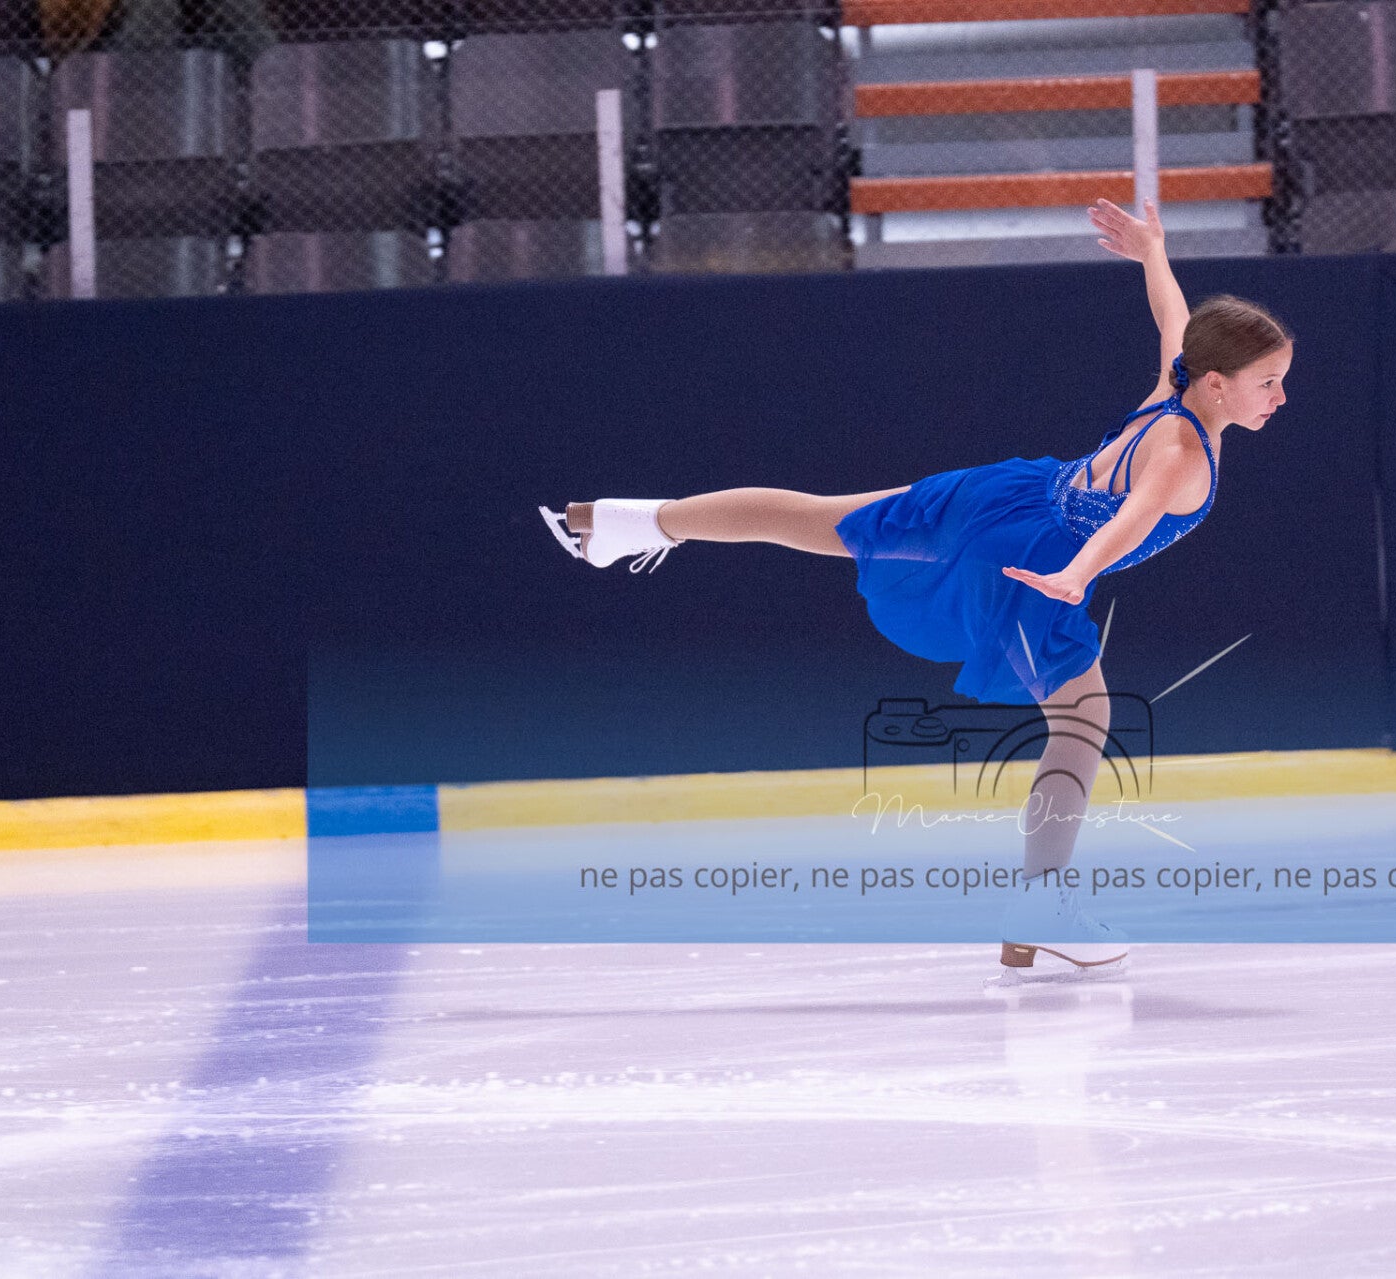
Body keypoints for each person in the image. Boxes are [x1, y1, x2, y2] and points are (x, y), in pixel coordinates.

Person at [544, 197, 1293, 983]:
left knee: (823, 520)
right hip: (1033, 557)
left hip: (1005, 499)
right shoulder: (1183, 454)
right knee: (1083, 720)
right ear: (1218, 384)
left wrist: (1152, 254)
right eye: (1269, 382)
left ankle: (629, 522)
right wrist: (1074, 576)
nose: (1280, 398)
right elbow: (1134, 517)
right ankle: (1041, 901)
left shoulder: (1174, 385)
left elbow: (1172, 319)